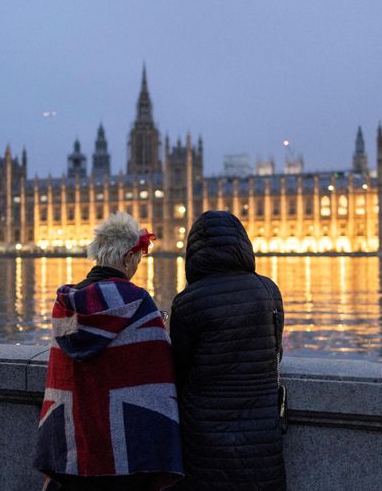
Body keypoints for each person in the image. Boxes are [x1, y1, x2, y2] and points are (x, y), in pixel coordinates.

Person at [34, 212, 184, 491]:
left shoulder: (65, 304)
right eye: (138, 260)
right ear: (127, 258)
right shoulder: (138, 301)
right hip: (124, 450)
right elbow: (159, 373)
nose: (137, 266)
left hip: (72, 444)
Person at [170, 210, 286, 490]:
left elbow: (179, 369)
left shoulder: (187, 302)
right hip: (262, 434)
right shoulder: (269, 290)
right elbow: (276, 351)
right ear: (243, 244)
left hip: (205, 434)